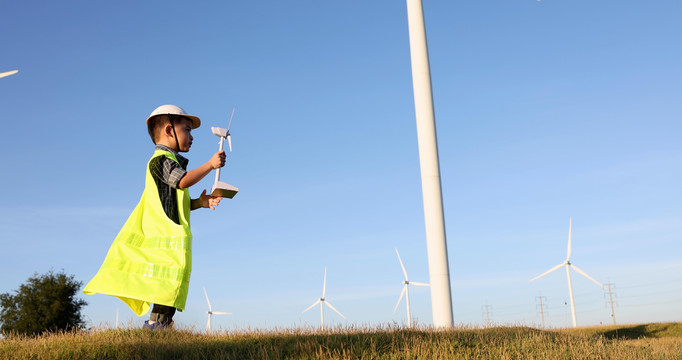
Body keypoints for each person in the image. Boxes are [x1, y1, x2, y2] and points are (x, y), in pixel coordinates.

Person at [84, 104, 226, 329]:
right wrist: (210, 165)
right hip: (165, 239)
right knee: (166, 287)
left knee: (170, 285)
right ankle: (156, 326)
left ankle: (162, 325)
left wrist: (200, 202)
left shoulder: (170, 161)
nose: (191, 136)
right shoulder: (161, 160)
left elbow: (172, 202)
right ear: (170, 130)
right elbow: (182, 181)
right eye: (187, 130)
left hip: (171, 238)